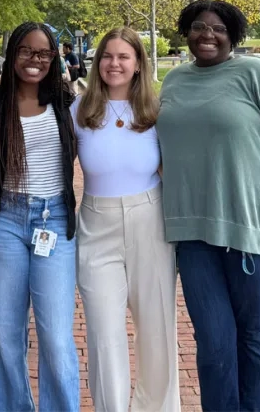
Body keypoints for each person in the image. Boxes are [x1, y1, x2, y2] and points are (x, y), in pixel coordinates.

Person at [157, 0, 260, 411]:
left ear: (233, 34)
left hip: (252, 228)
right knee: (214, 341)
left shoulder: (256, 74)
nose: (207, 34)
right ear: (186, 32)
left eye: (218, 28)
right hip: (191, 234)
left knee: (253, 337)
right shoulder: (175, 81)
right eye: (198, 26)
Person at [72, 27, 180, 411]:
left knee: (156, 329)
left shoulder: (157, 112)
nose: (114, 64)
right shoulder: (79, 111)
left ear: (137, 65)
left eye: (123, 57)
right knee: (104, 333)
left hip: (150, 220)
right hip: (95, 225)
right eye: (107, 56)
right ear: (97, 61)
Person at [0, 22, 79, 411]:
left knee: (55, 335)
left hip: (54, 218)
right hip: (6, 219)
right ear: (12, 54)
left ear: (53, 58)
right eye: (25, 51)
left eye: (43, 53)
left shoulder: (67, 102)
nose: (34, 60)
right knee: (6, 334)